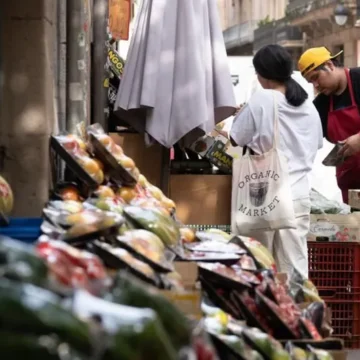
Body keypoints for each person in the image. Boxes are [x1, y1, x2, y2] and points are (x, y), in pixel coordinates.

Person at [230, 44, 323, 277]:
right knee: (294, 268)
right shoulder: (307, 105)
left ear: (262, 74)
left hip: (266, 192)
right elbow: (317, 144)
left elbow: (236, 137)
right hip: (299, 196)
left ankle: (263, 311)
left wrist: (244, 114)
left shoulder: (262, 98)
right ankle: (298, 311)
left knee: (259, 265)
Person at [298, 46, 360, 204]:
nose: (316, 85)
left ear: (330, 65)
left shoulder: (358, 79)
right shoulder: (321, 105)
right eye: (310, 82)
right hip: (352, 187)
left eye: (316, 77)